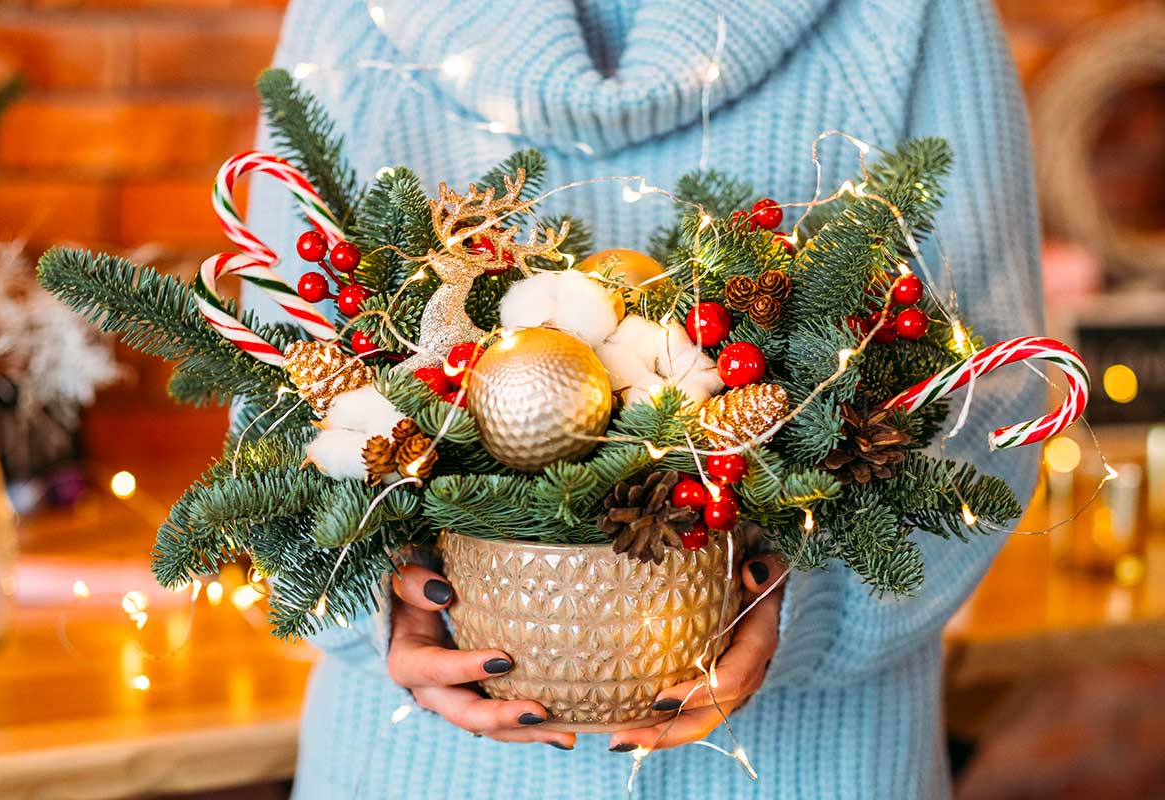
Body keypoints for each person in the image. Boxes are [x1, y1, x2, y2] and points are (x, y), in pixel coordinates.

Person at [245, 0, 1044, 796]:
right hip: (441, 764)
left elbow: (992, 388)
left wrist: (792, 602)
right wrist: (377, 603)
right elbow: (279, 400)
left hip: (791, 761)